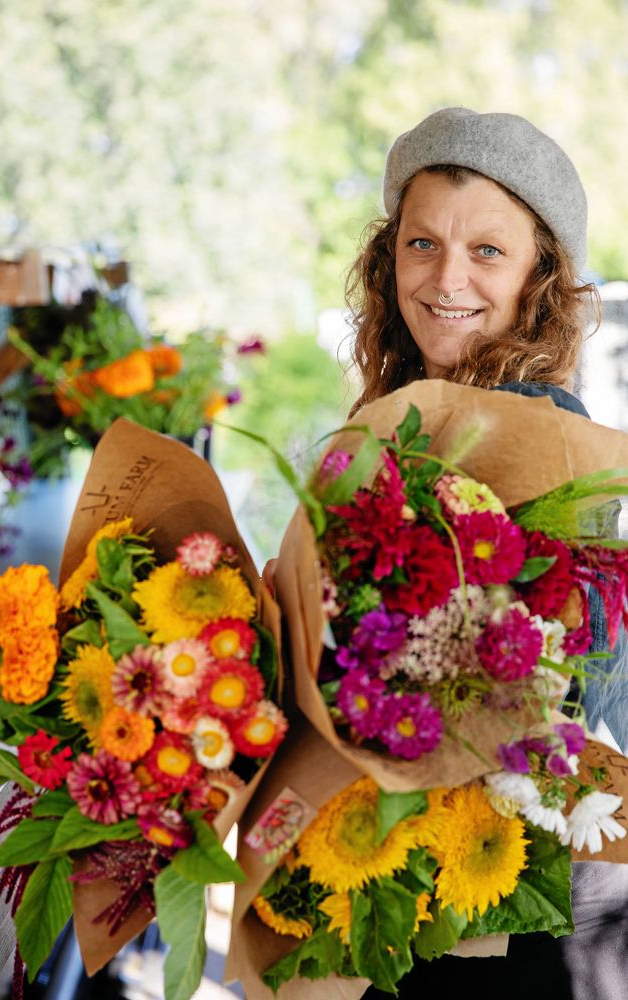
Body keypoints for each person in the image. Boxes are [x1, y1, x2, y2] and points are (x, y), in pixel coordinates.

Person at [343, 106, 628, 1000]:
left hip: (494, 888)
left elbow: (577, 682)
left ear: (539, 274)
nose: (446, 277)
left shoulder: (552, 438)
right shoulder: (390, 414)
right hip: (389, 860)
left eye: (487, 252)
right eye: (421, 244)